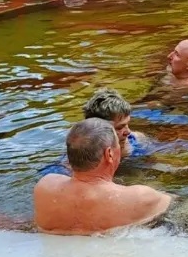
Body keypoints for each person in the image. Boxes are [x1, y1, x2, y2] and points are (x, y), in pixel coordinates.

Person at [33, 119, 173, 235]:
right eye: (118, 145)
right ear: (109, 154)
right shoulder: (140, 197)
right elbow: (175, 205)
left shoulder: (45, 186)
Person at [83, 87, 149, 157]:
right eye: (119, 128)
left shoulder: (137, 140)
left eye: (127, 124)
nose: (128, 132)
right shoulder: (84, 153)